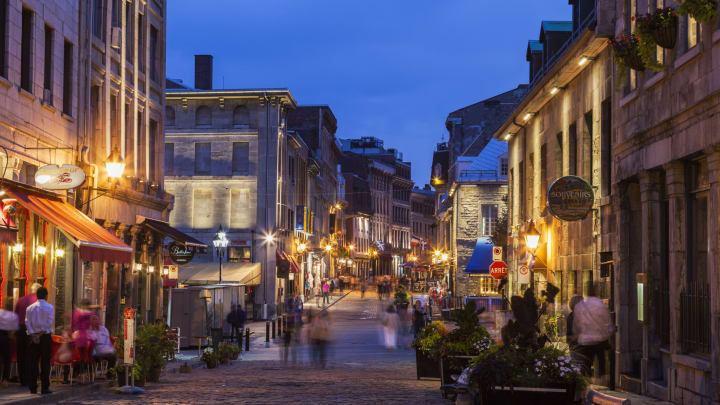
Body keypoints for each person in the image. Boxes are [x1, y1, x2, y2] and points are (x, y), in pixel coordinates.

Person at [573, 287, 613, 376]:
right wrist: (609, 332)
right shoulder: (600, 305)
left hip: (585, 341)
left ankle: (587, 381)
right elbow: (607, 322)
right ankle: (602, 379)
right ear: (596, 292)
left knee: (586, 364)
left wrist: (577, 335)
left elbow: (576, 324)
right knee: (601, 363)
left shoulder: (580, 305)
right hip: (598, 340)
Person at [25, 286, 54, 395]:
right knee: (45, 362)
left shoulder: (29, 308)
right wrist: (40, 334)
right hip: (45, 337)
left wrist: (34, 335)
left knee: (33, 362)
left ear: (36, 296)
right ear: (46, 296)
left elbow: (27, 322)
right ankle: (44, 387)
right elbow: (48, 323)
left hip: (33, 337)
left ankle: (32, 387)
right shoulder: (50, 307)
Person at [14, 282, 40, 386]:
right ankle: (30, 378)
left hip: (20, 329)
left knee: (21, 354)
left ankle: (22, 379)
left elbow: (15, 315)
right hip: (31, 329)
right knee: (31, 354)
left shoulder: (21, 299)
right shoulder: (38, 301)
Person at [0, 304, 18, 387]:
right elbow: (13, 330)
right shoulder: (13, 315)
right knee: (7, 360)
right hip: (7, 338)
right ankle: (5, 380)